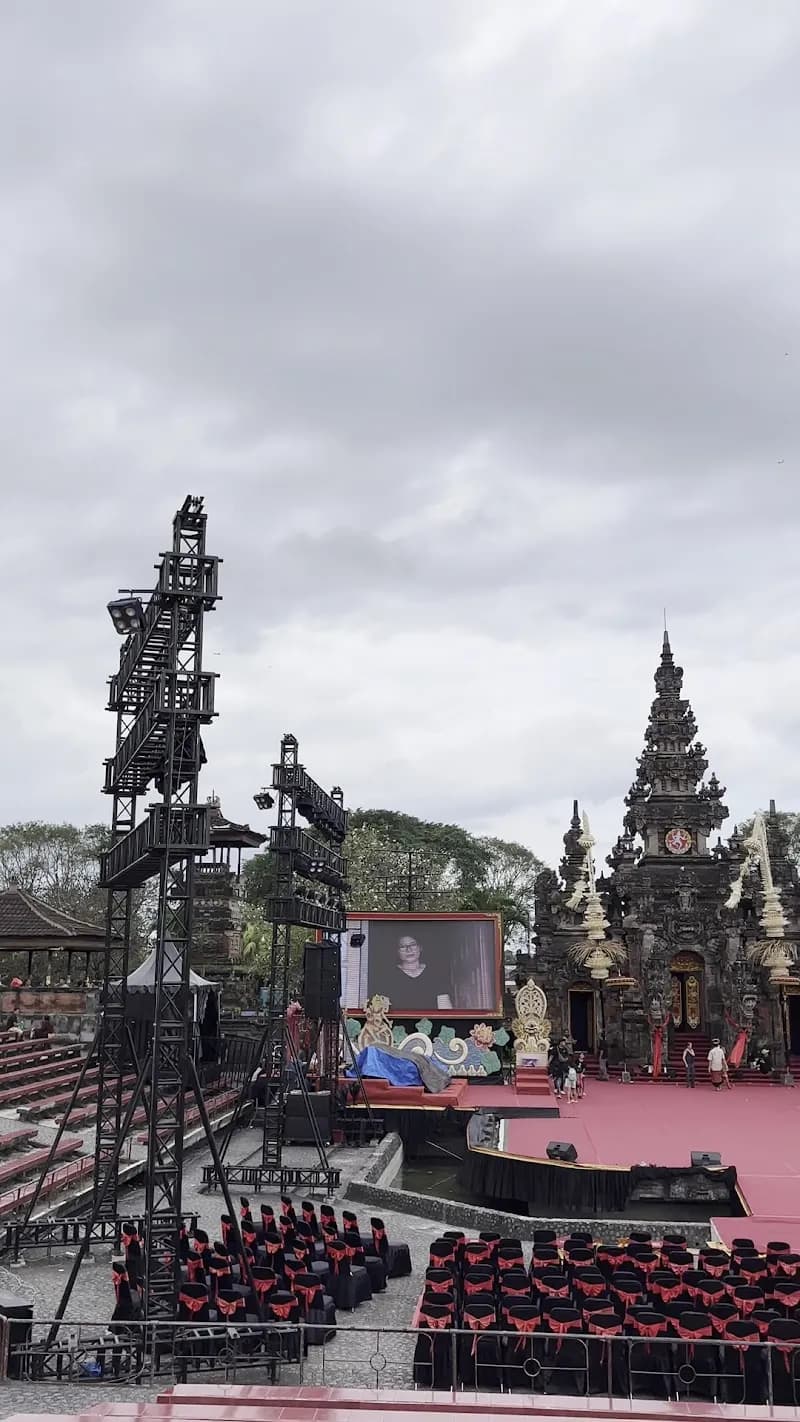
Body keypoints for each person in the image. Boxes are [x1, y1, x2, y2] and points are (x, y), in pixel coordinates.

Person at [382, 934, 453, 1011]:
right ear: (397, 951)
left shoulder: (436, 974)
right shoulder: (388, 977)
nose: (408, 950)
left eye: (412, 945)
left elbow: (445, 1010)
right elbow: (383, 1011)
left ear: (420, 947)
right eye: (402, 946)